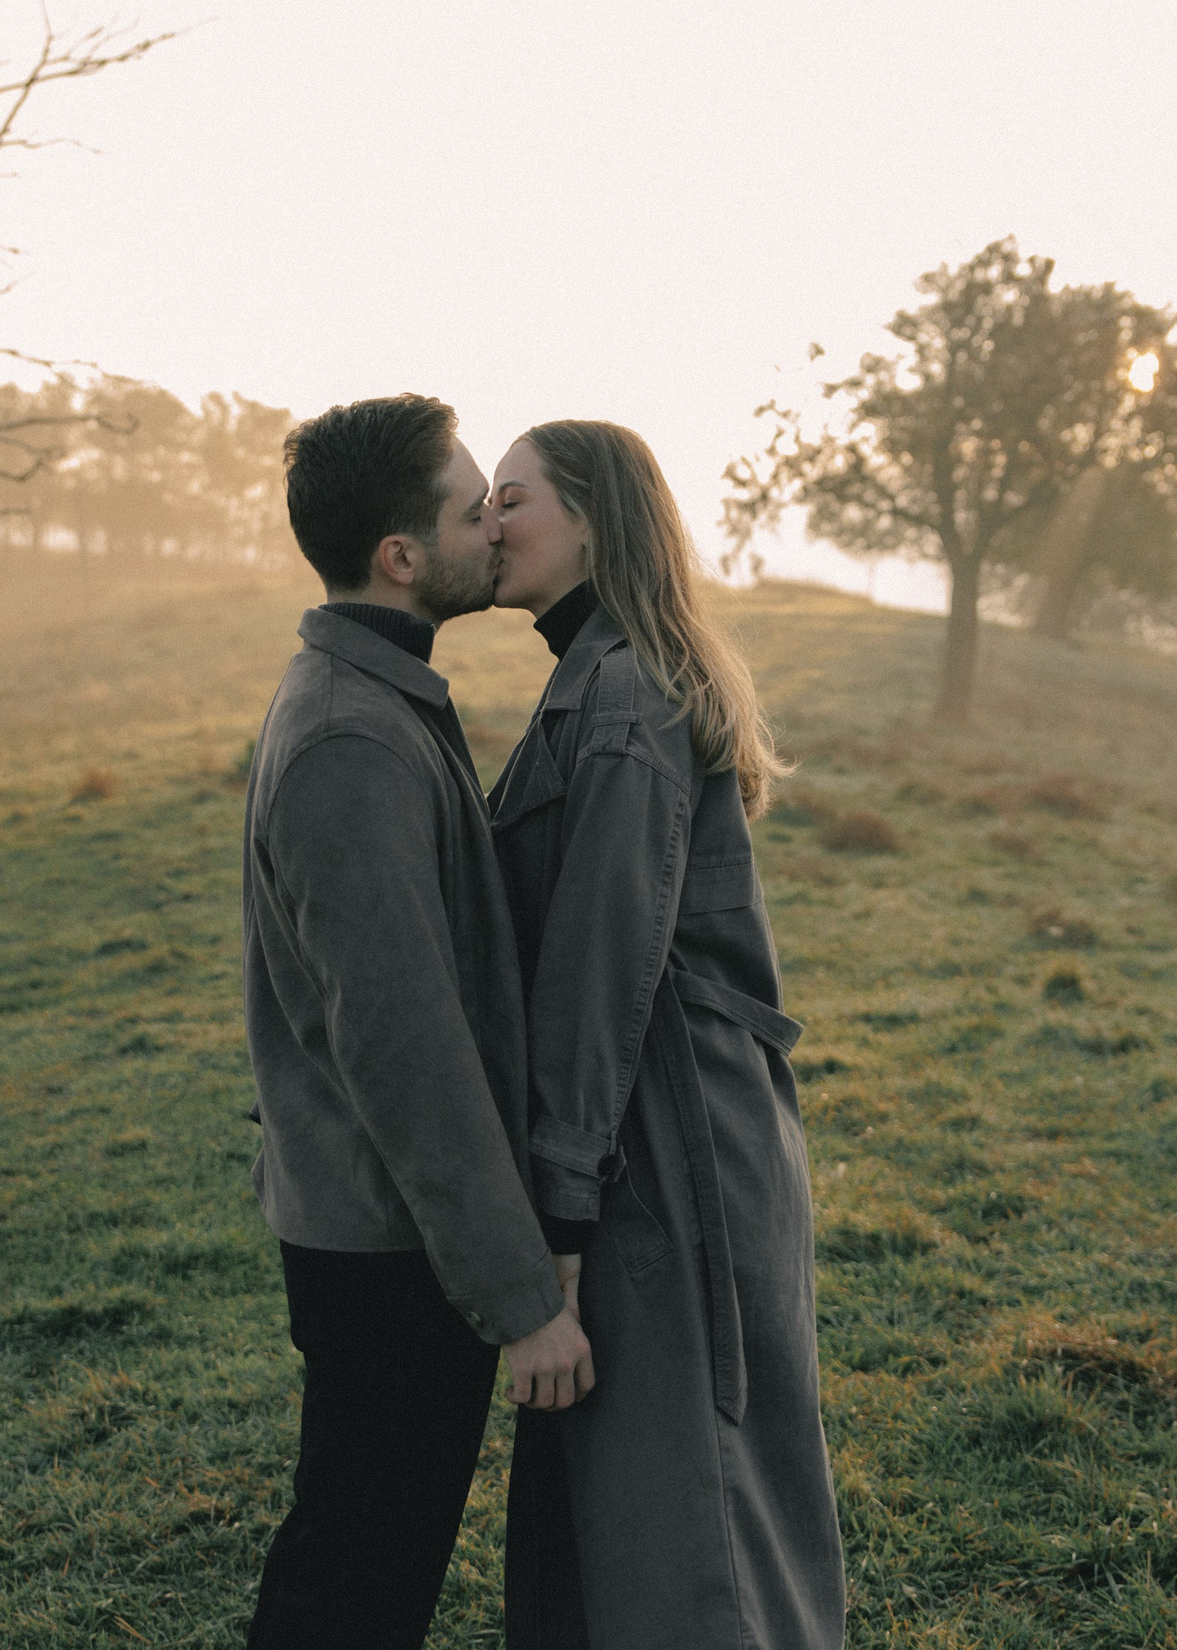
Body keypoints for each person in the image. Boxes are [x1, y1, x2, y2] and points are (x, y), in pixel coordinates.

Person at [239, 393, 594, 1650]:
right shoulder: (351, 739)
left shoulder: (372, 699)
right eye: (468, 510)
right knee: (356, 1583)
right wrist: (521, 1299)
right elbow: (403, 1052)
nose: (493, 528)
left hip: (385, 1230)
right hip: (386, 1249)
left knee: (360, 1562)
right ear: (400, 557)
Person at [486, 420, 845, 1647]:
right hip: (663, 1139)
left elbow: (601, 969)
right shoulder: (595, 678)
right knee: (648, 1500)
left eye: (513, 498)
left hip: (666, 1153)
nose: (487, 522)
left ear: (592, 523)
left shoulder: (624, 697)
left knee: (692, 1520)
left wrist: (560, 1217)